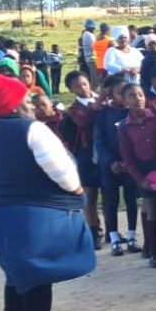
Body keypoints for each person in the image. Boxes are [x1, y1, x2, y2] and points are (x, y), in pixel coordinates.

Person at [0, 74, 97, 311]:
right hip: (36, 220)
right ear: (15, 105)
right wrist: (78, 190)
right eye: (25, 100)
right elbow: (61, 171)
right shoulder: (33, 130)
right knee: (38, 276)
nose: (30, 104)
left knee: (15, 273)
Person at [116, 82, 156, 268]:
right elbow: (127, 157)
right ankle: (154, 251)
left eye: (140, 95)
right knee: (151, 209)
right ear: (125, 101)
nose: (138, 99)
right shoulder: (124, 127)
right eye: (132, 96)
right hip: (143, 170)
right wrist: (139, 179)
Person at [93, 75, 141, 256]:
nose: (123, 96)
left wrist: (130, 162)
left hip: (130, 164)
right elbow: (99, 142)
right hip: (110, 165)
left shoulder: (131, 114)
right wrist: (110, 162)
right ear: (111, 94)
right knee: (110, 200)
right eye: (120, 92)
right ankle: (113, 237)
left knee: (131, 200)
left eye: (126, 93)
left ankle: (131, 236)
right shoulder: (103, 114)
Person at [59, 71, 103, 244]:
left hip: (104, 152)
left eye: (84, 84)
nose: (83, 88)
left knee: (108, 194)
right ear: (71, 90)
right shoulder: (73, 110)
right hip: (85, 155)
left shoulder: (101, 100)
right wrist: (99, 102)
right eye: (77, 86)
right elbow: (84, 121)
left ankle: (111, 231)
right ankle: (94, 230)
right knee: (90, 196)